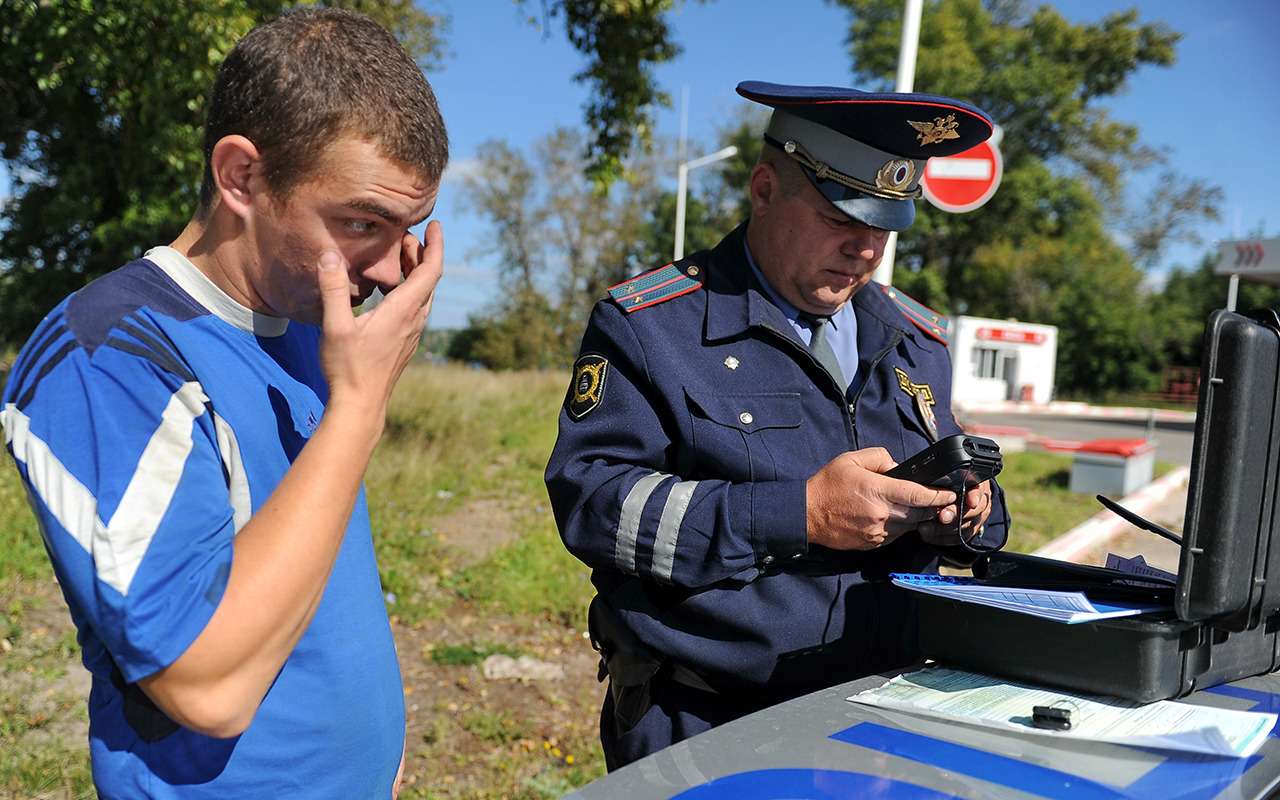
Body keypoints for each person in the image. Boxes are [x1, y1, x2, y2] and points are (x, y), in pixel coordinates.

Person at [0, 8, 446, 797]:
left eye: (407, 229)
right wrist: (358, 411)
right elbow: (207, 686)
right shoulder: (106, 357)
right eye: (361, 223)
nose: (385, 272)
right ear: (241, 176)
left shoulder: (312, 329)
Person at [545, 81, 1011, 770]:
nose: (865, 249)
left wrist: (967, 512)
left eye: (884, 226)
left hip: (888, 724)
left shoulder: (917, 341)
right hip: (710, 724)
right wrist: (801, 513)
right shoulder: (653, 326)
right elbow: (593, 505)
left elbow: (984, 513)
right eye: (839, 216)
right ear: (764, 190)